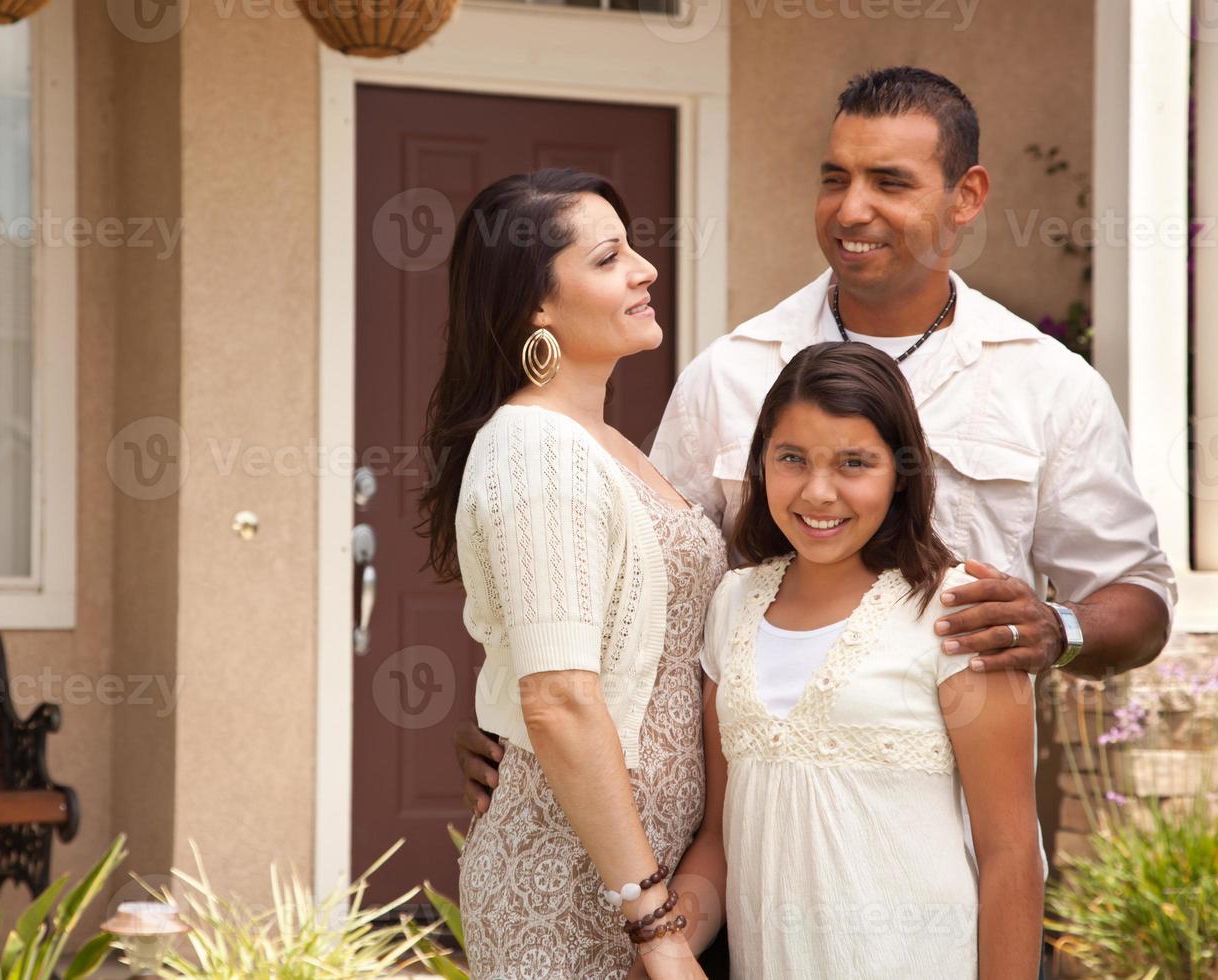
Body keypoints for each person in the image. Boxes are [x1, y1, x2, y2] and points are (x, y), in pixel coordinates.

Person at [455, 63, 1174, 821]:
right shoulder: (730, 373)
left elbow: (1142, 600)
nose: (851, 209)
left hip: (958, 852)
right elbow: (628, 580)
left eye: (889, 183)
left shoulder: (1049, 388)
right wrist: (507, 702)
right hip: (751, 840)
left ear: (967, 197)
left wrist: (1059, 627)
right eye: (836, 178)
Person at [418, 168, 725, 978]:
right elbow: (556, 698)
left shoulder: (608, 444)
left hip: (642, 878)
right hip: (575, 882)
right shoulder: (533, 445)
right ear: (536, 306)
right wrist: (653, 925)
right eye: (608, 258)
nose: (645, 270)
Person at [665, 342, 1044, 978]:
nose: (818, 493)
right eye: (792, 459)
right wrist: (662, 945)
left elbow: (1010, 853)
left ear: (901, 474)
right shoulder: (732, 605)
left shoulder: (958, 612)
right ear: (761, 463)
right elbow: (719, 839)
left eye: (854, 463)